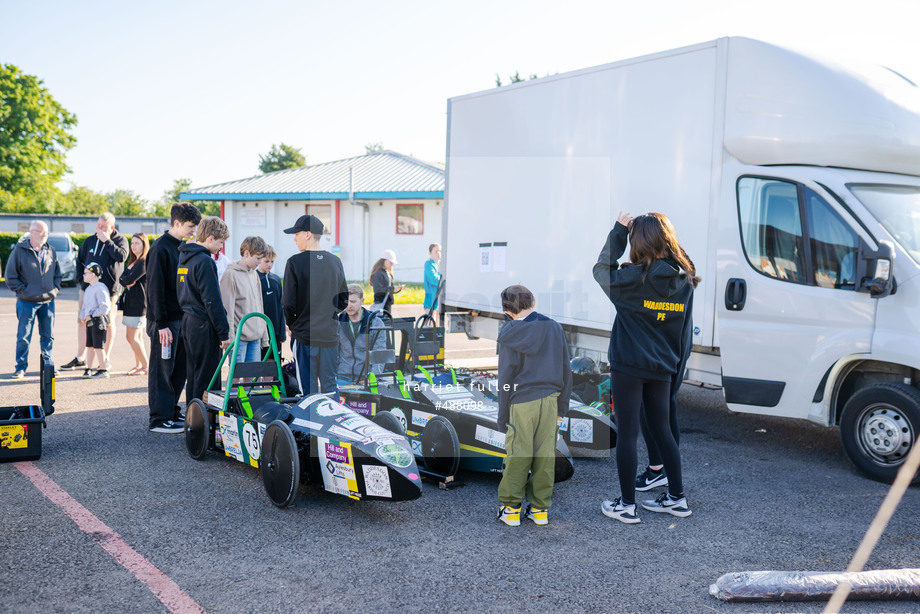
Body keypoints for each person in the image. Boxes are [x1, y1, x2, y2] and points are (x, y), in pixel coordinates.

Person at [593, 211, 698, 524]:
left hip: (628, 365)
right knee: (662, 430)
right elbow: (683, 335)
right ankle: (677, 499)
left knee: (628, 434)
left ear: (638, 242)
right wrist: (675, 375)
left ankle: (627, 505)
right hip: (663, 367)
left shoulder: (631, 280)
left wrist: (618, 233)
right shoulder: (684, 282)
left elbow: (601, 270)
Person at [495, 285, 572, 527]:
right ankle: (540, 511)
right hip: (550, 401)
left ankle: (510, 510)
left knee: (519, 454)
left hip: (522, 401)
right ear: (534, 302)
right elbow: (566, 369)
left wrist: (502, 414)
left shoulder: (509, 333)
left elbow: (505, 378)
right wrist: (562, 407)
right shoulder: (554, 328)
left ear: (507, 311)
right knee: (544, 456)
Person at [147, 202, 201, 434]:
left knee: (179, 370)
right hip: (164, 322)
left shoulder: (181, 247)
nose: (194, 231)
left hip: (180, 320)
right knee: (162, 370)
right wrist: (161, 325)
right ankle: (159, 418)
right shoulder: (160, 248)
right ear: (176, 223)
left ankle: (170, 411)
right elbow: (155, 288)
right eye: (190, 226)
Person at [282, 214, 348, 395]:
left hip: (305, 336)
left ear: (308, 234)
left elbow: (288, 304)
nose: (294, 238)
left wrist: (293, 325)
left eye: (297, 234)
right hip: (330, 336)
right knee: (329, 388)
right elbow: (343, 300)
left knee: (308, 391)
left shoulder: (294, 262)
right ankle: (332, 422)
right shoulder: (336, 262)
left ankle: (307, 424)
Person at [62, 212, 129, 372]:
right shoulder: (90, 240)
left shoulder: (120, 240)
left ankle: (104, 358)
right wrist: (81, 280)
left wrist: (107, 241)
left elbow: (121, 257)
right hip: (87, 290)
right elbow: (80, 261)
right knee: (83, 320)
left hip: (109, 292)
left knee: (107, 323)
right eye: (98, 225)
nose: (99, 229)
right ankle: (80, 358)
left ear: (112, 227)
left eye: (104, 227)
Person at [179, 216, 232, 405]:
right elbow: (212, 300)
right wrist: (224, 332)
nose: (221, 248)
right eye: (220, 242)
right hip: (203, 324)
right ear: (210, 238)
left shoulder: (184, 257)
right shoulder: (205, 261)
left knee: (193, 374)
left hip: (188, 321)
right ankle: (205, 425)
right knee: (208, 377)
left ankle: (193, 422)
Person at [5, 221, 61, 379]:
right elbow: (10, 277)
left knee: (47, 336)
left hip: (48, 302)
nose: (45, 236)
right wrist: (24, 291)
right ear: (32, 233)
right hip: (26, 302)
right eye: (42, 232)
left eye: (47, 233)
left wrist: (54, 290)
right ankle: (20, 368)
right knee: (23, 337)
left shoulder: (51, 251)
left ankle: (48, 366)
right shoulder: (19, 251)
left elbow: (58, 274)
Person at [220, 236, 269, 363]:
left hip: (255, 337)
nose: (259, 262)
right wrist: (230, 337)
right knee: (236, 377)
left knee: (252, 377)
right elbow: (227, 309)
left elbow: (260, 305)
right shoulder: (230, 275)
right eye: (258, 258)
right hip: (239, 338)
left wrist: (264, 337)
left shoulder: (254, 274)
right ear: (247, 253)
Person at [337, 283, 388, 386]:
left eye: (353, 301)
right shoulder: (337, 322)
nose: (348, 305)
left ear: (362, 301)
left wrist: (372, 379)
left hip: (367, 379)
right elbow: (332, 353)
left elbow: (379, 354)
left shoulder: (376, 323)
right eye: (346, 301)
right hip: (342, 378)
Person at [119, 233, 149, 376]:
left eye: (137, 243)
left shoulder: (143, 262)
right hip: (130, 302)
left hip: (138, 303)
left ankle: (145, 366)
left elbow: (128, 279)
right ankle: (139, 364)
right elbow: (123, 279)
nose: (134, 246)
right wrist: (126, 279)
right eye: (132, 243)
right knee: (136, 337)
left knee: (131, 337)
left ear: (144, 245)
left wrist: (126, 279)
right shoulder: (133, 262)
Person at [79, 263, 111, 378]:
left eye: (85, 273)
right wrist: (83, 316)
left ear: (93, 274)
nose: (83, 275)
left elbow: (105, 307)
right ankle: (89, 368)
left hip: (99, 323)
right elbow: (85, 307)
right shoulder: (88, 289)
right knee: (90, 346)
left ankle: (103, 369)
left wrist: (92, 316)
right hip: (90, 322)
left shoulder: (100, 288)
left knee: (98, 346)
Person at [257, 245, 286, 359]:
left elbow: (280, 306)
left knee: (274, 363)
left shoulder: (276, 280)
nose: (269, 264)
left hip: (275, 331)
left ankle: (272, 378)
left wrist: (282, 331)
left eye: (272, 261)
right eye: (266, 261)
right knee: (259, 362)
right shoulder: (254, 278)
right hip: (260, 331)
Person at [369, 249, 404, 314]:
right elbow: (378, 290)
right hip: (381, 304)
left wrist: (397, 289)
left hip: (387, 304)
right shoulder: (378, 273)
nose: (392, 265)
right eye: (390, 262)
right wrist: (393, 288)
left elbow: (388, 289)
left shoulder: (387, 272)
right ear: (384, 260)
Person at [423, 243, 441, 323]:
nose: (439, 253)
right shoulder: (428, 264)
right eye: (436, 251)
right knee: (430, 322)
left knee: (437, 324)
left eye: (440, 251)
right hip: (431, 297)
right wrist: (443, 280)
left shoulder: (441, 264)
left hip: (439, 297)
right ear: (430, 253)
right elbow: (434, 280)